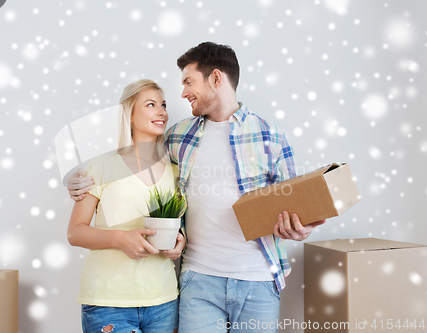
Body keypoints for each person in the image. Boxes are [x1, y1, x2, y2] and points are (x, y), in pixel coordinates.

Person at [68, 42, 325, 332]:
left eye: (189, 81)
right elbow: (133, 159)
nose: (183, 93)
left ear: (216, 78)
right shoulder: (178, 137)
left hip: (258, 277)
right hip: (198, 281)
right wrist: (75, 179)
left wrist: (300, 229)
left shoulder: (272, 135)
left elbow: (295, 203)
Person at [67, 79, 185, 333]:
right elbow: (75, 232)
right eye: (151, 104)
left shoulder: (176, 172)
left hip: (163, 301)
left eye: (163, 105)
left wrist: (179, 242)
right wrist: (121, 239)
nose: (161, 111)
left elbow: (182, 225)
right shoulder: (100, 166)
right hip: (108, 303)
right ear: (129, 115)